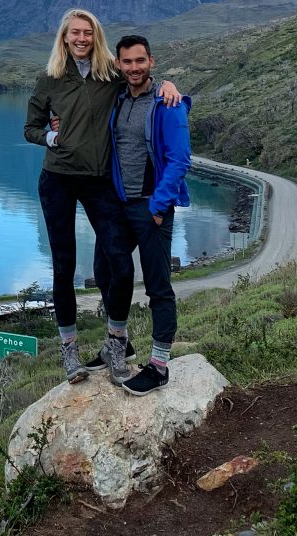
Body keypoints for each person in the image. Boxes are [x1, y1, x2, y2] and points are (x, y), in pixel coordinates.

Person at [23, 9, 178, 384]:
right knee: (64, 265)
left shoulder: (110, 75)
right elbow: (31, 127)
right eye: (74, 33)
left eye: (87, 33)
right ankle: (69, 351)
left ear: (96, 37)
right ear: (64, 37)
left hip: (99, 182)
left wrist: (168, 85)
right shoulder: (50, 79)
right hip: (57, 180)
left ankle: (116, 341)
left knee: (120, 266)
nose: (81, 38)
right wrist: (52, 137)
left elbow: (138, 77)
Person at [105, 33, 191, 394]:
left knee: (158, 286)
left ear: (151, 62)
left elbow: (179, 160)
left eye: (140, 61)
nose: (134, 67)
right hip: (121, 203)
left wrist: (157, 207)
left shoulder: (168, 104)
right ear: (119, 64)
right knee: (115, 274)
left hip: (150, 207)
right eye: (127, 62)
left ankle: (159, 366)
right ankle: (119, 343)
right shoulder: (118, 98)